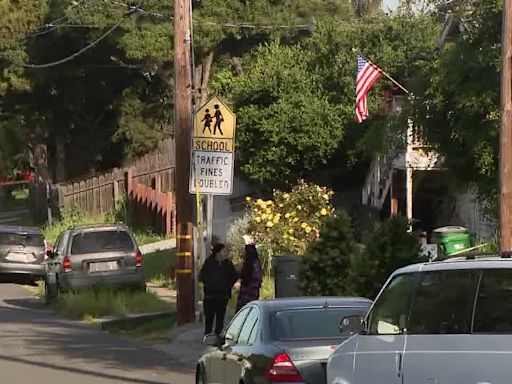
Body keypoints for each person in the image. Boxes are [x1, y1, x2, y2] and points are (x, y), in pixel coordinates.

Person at [199, 243, 237, 336]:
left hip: (223, 296)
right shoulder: (209, 262)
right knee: (209, 317)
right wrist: (209, 283)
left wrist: (228, 285)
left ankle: (217, 335)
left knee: (220, 317)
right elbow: (202, 276)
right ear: (217, 253)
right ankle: (207, 335)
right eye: (224, 251)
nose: (226, 253)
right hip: (210, 296)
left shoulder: (228, 264)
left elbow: (234, 276)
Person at [236, 237, 263, 312]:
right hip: (253, 294)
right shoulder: (257, 264)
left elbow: (242, 275)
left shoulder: (248, 265)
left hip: (245, 294)